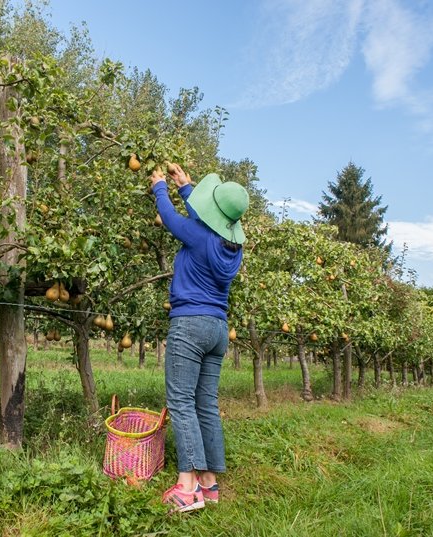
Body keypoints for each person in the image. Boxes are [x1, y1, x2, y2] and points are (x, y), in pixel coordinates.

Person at [150, 163, 248, 513]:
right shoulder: (229, 248)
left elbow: (172, 219)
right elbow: (206, 219)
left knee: (180, 402)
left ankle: (187, 486)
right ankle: (210, 483)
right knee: (205, 404)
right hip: (218, 328)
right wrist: (185, 186)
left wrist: (161, 187)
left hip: (189, 324)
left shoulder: (196, 234)